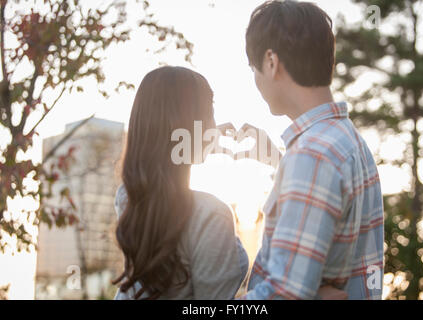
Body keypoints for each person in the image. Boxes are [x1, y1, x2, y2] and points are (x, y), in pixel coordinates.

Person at [234, 1, 384, 300]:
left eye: (254, 69)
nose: (256, 80)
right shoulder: (350, 142)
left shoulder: (312, 155)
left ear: (271, 62)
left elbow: (285, 294)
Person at [112, 66, 248, 300]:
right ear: (187, 122)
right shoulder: (211, 214)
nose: (215, 123)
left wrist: (204, 140)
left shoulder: (128, 197)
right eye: (210, 112)